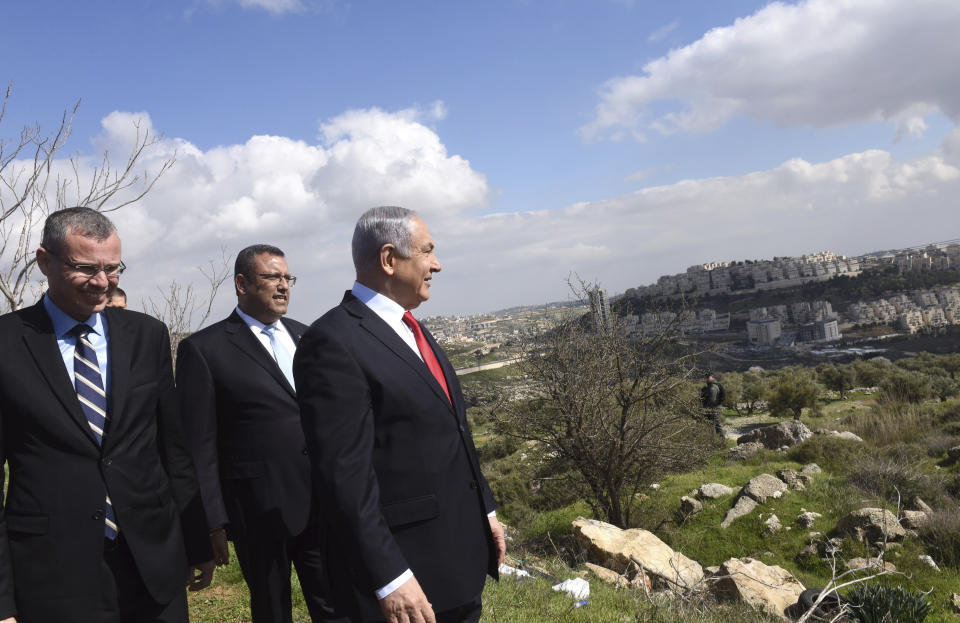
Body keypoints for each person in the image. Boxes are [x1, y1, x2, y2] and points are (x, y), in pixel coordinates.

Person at [0, 207, 214, 623]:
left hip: (152, 562)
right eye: (85, 268)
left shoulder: (147, 335)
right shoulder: (7, 344)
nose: (102, 282)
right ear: (45, 261)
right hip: (52, 570)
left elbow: (173, 450)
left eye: (113, 269)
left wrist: (197, 543)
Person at [294, 206, 506, 623]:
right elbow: (344, 476)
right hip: (406, 575)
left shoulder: (412, 327)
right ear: (389, 260)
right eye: (427, 251)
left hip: (455, 564)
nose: (437, 264)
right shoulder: (333, 342)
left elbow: (453, 431)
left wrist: (487, 510)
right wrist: (389, 576)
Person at [176, 244, 342, 623]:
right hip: (256, 509)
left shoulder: (306, 336)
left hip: (321, 501)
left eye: (288, 278)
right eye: (272, 277)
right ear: (242, 283)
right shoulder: (204, 350)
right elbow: (198, 446)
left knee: (334, 604)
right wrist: (212, 522)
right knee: (271, 608)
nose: (283, 286)